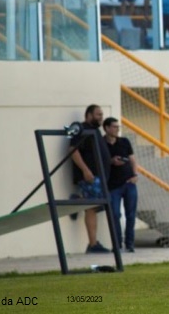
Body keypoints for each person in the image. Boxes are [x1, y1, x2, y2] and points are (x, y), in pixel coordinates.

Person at [71, 105, 112, 254]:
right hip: (90, 177)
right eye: (98, 114)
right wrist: (85, 170)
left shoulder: (95, 131)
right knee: (92, 207)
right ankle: (93, 244)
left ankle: (77, 200)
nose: (101, 117)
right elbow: (72, 150)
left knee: (95, 206)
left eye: (101, 115)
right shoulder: (79, 128)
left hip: (100, 177)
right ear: (88, 115)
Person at [103, 117, 139, 253]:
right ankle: (117, 244)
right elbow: (98, 162)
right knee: (115, 215)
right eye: (114, 127)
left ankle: (130, 244)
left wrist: (135, 175)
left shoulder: (124, 142)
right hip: (113, 185)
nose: (117, 129)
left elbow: (132, 160)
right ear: (106, 128)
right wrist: (111, 161)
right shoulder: (101, 143)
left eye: (118, 127)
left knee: (130, 214)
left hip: (129, 183)